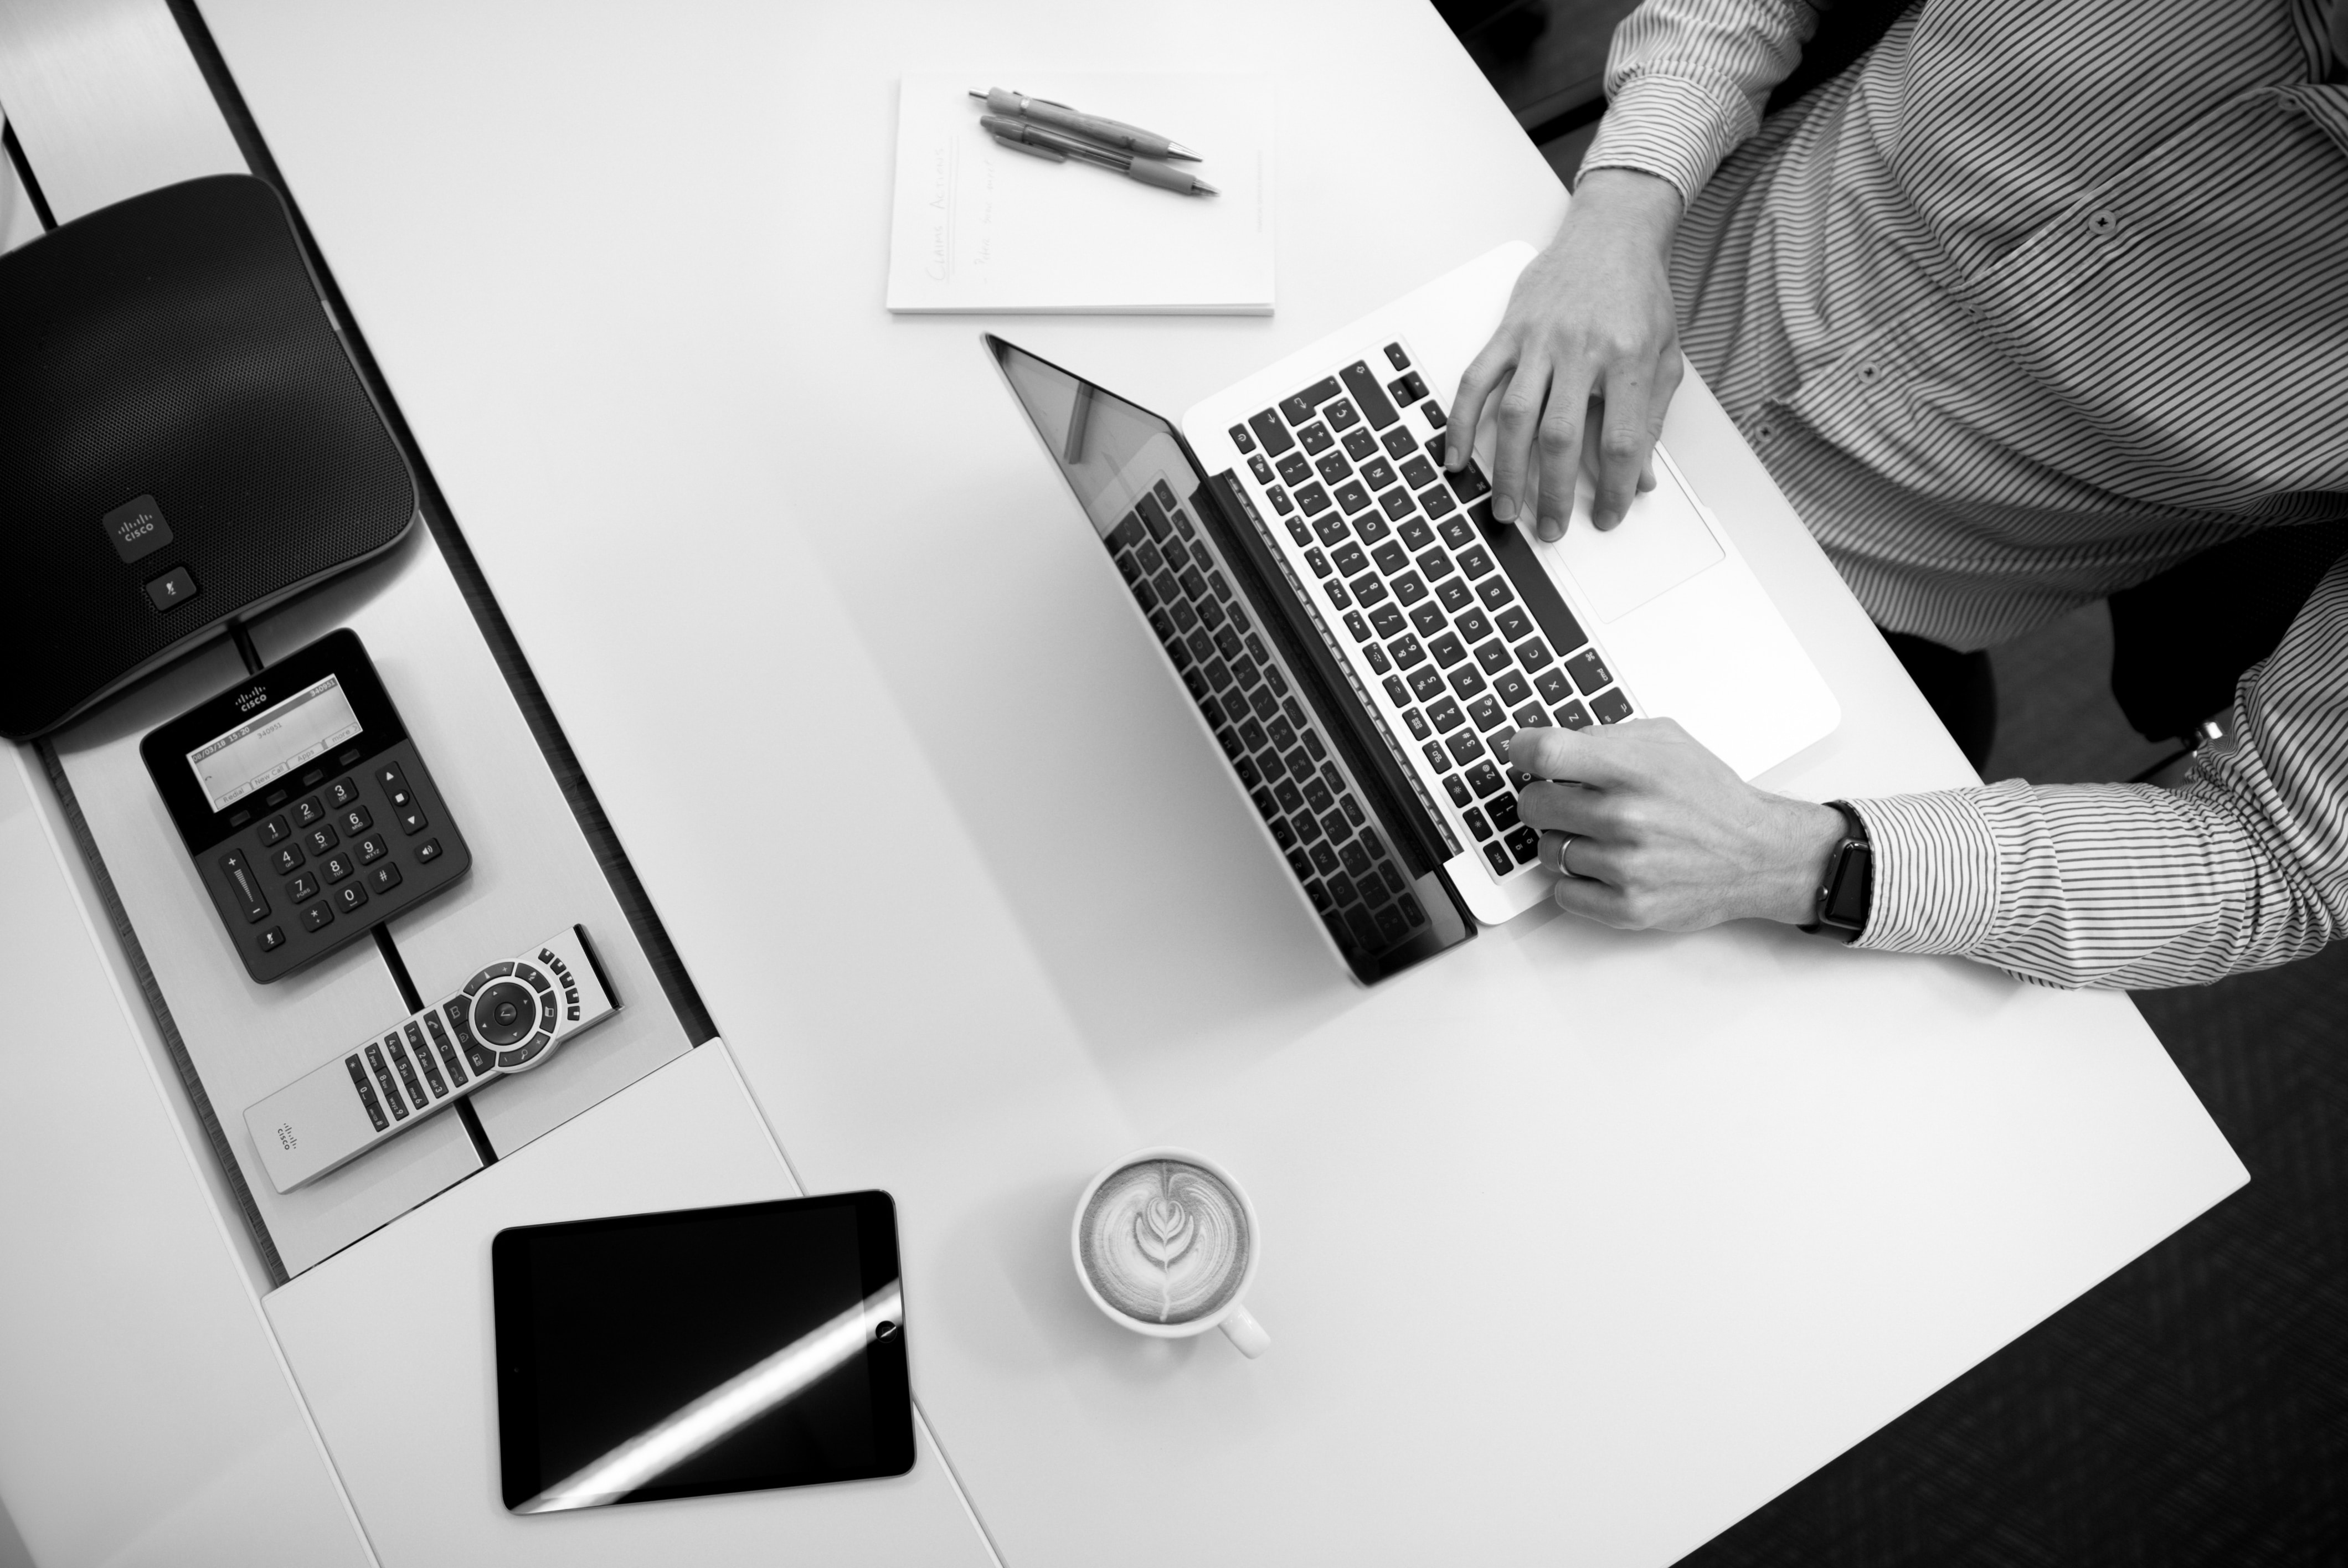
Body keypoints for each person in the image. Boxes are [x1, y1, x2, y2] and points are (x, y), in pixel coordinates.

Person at [1449, 0, 2348, 988]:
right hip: (1570, 289)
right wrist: (1622, 211)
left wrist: (1801, 860)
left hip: (1828, 632)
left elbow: (2282, 855)